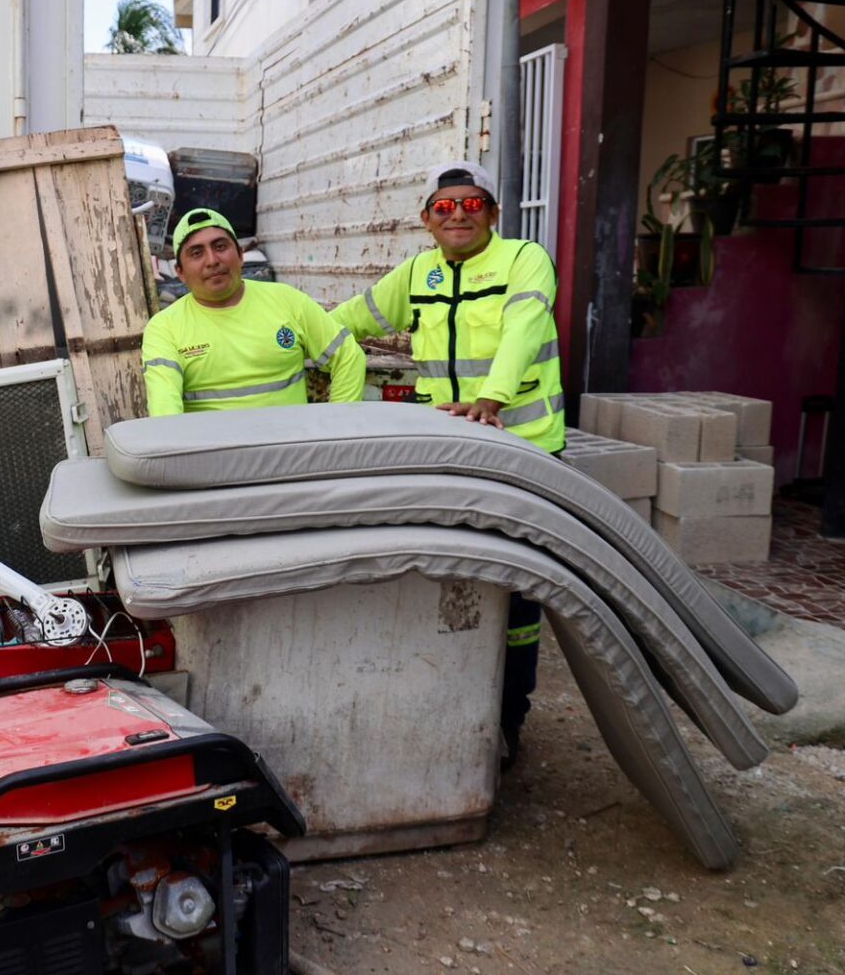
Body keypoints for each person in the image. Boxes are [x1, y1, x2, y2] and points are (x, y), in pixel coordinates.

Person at [328, 161, 565, 767]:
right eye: (444, 207)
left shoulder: (523, 259)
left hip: (525, 452)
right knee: (451, 581)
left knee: (517, 595)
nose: (457, 215)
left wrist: (494, 398)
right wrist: (280, 335)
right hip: (452, 457)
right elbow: (347, 320)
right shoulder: (417, 273)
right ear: (426, 219)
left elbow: (523, 328)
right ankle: (451, 707)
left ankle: (509, 720)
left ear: (492, 212)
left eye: (471, 204)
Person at [142, 209, 367, 414]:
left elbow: (347, 356)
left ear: (240, 256)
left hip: (292, 454)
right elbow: (165, 408)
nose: (212, 260)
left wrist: (338, 428)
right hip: (216, 458)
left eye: (220, 247)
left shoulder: (287, 300)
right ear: (180, 272)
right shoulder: (165, 328)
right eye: (196, 253)